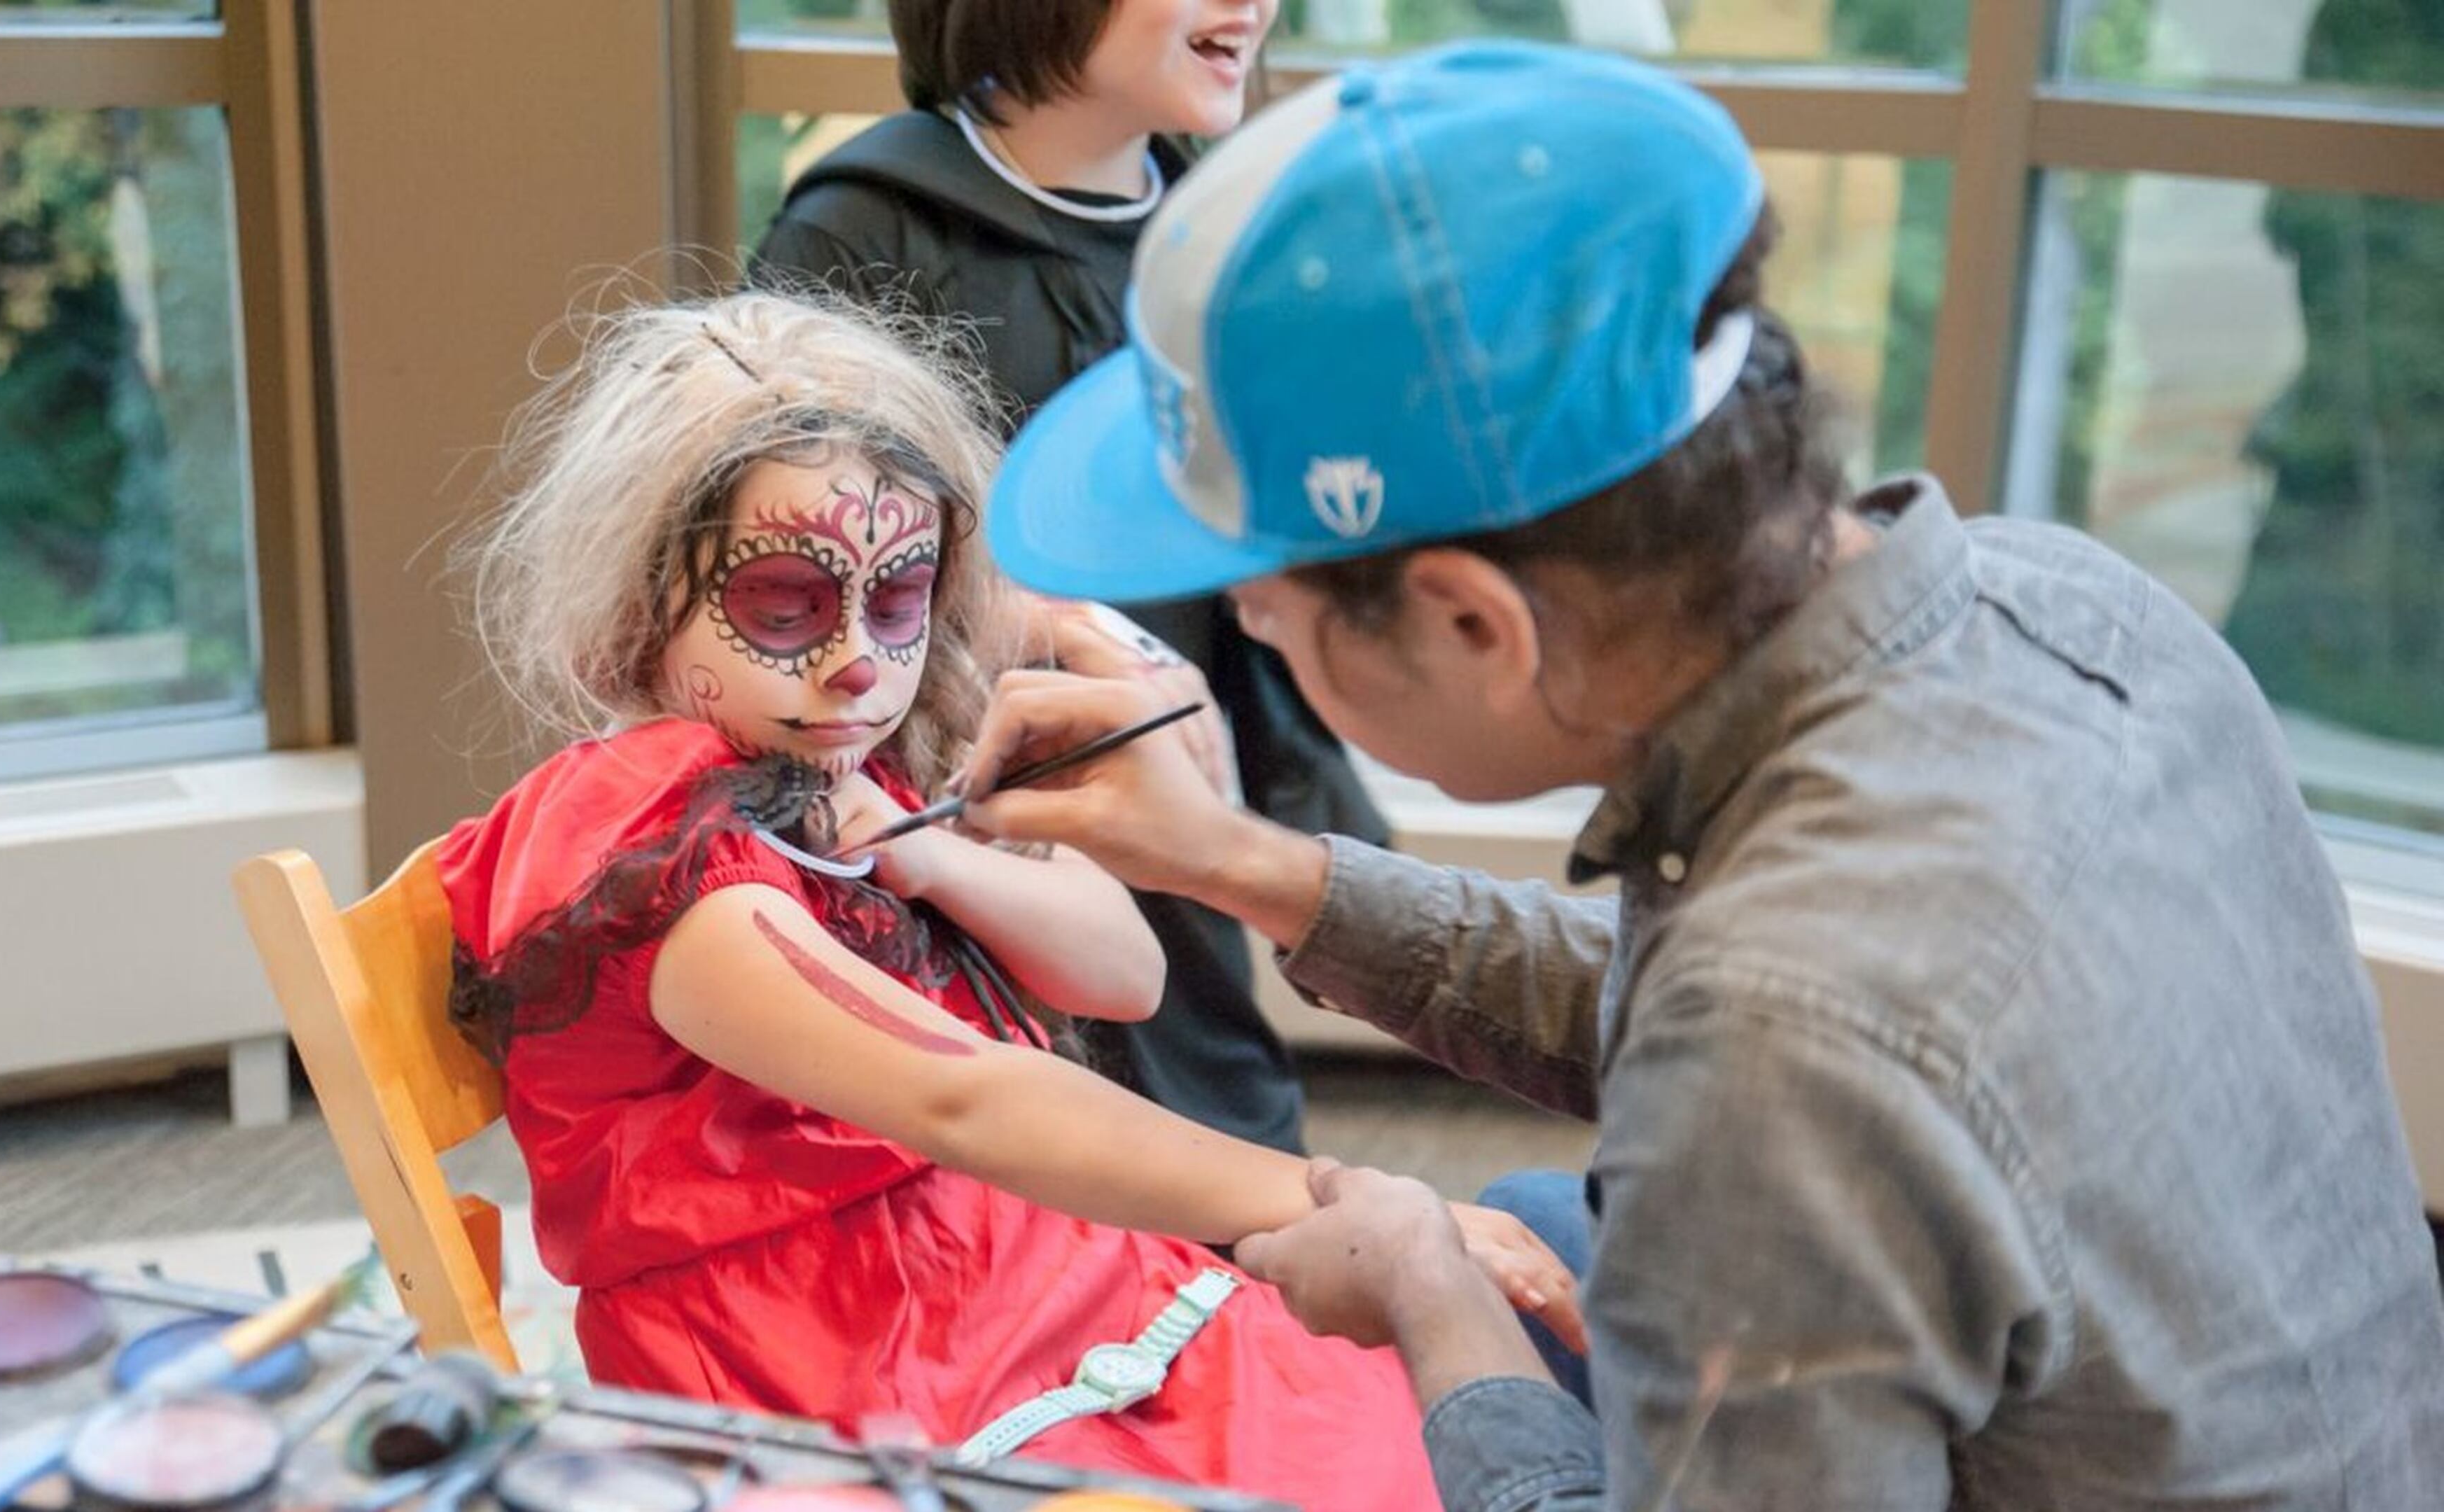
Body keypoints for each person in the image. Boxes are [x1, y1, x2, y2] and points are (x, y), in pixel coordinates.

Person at [940, 41, 2444, 1511]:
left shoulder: (1784, 1048)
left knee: (1485, 1276)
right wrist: (1239, 859)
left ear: (1474, 621)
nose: (1249, 633)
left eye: (1264, 608)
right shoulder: (2069, 601)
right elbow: (1744, 1012)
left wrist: (1425, 1299)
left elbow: (1776, 1040)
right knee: (1540, 1218)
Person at [439, 288, 1580, 1508]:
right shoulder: (648, 855)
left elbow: (1124, 974)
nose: (859, 662)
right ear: (639, 598)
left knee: (1432, 1416)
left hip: (1017, 1288)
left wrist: (925, 857)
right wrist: (1365, 1212)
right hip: (827, 1375)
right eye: (785, 605)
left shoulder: (826, 767)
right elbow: (965, 1097)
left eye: (897, 597)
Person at [748, 0, 1381, 1157]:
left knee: (1233, 1189)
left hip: (1173, 818)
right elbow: (788, 566)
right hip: (950, 837)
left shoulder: (1226, 232)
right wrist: (1062, 626)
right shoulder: (862, 232)